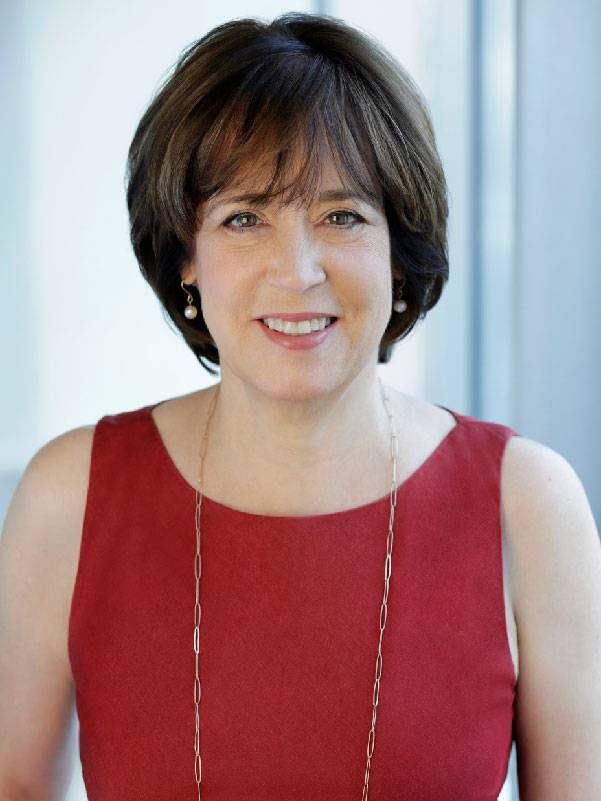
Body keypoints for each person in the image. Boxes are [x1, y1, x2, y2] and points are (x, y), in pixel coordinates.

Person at [1, 11, 600, 801]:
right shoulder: (69, 496)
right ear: (186, 256)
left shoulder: (527, 501)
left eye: (340, 215)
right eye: (244, 217)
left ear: (399, 253)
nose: (298, 269)